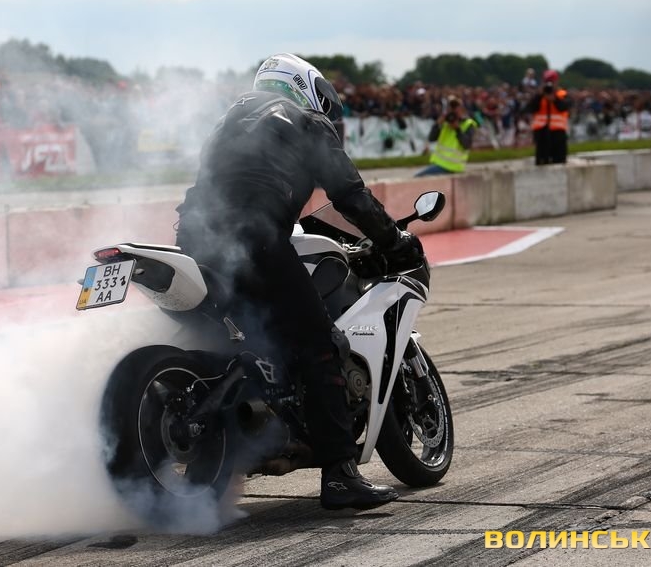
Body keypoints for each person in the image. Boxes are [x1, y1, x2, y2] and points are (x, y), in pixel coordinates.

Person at [174, 53, 425, 510]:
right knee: (321, 344)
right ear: (305, 89)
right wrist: (394, 240)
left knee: (232, 340)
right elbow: (349, 194)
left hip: (195, 239)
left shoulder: (228, 121)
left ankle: (222, 445)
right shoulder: (307, 120)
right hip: (254, 237)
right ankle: (341, 476)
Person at [414, 97, 479, 176]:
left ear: (462, 109)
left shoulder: (468, 124)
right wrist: (437, 125)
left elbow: (466, 145)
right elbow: (431, 138)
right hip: (440, 164)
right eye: (451, 108)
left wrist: (457, 129)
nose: (454, 110)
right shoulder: (445, 123)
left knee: (418, 178)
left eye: (456, 107)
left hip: (451, 166)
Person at [525, 69, 571, 165]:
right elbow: (530, 108)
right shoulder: (539, 95)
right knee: (542, 162)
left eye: (552, 82)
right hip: (541, 132)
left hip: (558, 132)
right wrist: (539, 95)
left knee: (559, 161)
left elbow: (564, 107)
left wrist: (554, 99)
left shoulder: (562, 94)